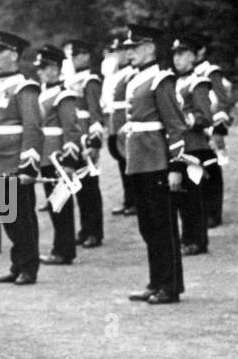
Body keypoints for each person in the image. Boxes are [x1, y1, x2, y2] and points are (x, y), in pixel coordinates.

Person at [121, 23, 186, 304]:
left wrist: (176, 166)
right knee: (148, 225)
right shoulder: (135, 79)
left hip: (157, 160)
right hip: (138, 160)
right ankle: (156, 280)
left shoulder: (161, 79)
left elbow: (175, 125)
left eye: (134, 48)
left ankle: (170, 285)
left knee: (163, 225)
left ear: (149, 48)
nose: (129, 53)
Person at [0, 31, 42, 285]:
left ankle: (28, 267)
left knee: (22, 217)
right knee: (7, 217)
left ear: (14, 55)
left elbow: (33, 126)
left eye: (0, 51)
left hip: (14, 163)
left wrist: (29, 164)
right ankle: (17, 264)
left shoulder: (24, 86)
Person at [33, 43, 82, 266]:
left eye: (47, 67)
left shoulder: (64, 95)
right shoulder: (44, 93)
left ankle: (64, 250)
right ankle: (61, 247)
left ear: (56, 69)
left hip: (57, 156)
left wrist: (70, 162)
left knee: (60, 204)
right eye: (41, 68)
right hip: (45, 153)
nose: (42, 71)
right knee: (54, 204)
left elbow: (71, 129)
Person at [171, 35, 215, 256]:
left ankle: (198, 240)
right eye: (175, 54)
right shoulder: (174, 82)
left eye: (182, 54)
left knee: (194, 197)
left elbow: (205, 116)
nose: (177, 58)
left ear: (192, 56)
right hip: (179, 147)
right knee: (181, 196)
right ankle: (187, 237)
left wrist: (187, 118)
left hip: (195, 146)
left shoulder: (198, 82)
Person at [63, 38, 104, 247]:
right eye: (73, 55)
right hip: (74, 137)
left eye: (80, 54)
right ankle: (85, 228)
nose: (76, 58)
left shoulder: (91, 80)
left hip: (86, 135)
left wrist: (94, 142)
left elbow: (96, 113)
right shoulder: (70, 81)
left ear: (87, 56)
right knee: (78, 187)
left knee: (90, 188)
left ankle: (95, 232)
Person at [193, 39, 232, 228]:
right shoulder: (190, 74)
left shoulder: (210, 72)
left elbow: (222, 100)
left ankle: (214, 213)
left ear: (201, 51)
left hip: (211, 126)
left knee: (212, 170)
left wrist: (218, 129)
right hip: (197, 127)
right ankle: (203, 209)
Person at [104, 31, 139, 217]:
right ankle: (128, 199)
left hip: (124, 121)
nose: (118, 54)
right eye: (116, 50)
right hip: (115, 120)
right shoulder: (115, 73)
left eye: (122, 50)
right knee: (121, 162)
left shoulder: (131, 73)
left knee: (129, 163)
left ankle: (134, 201)